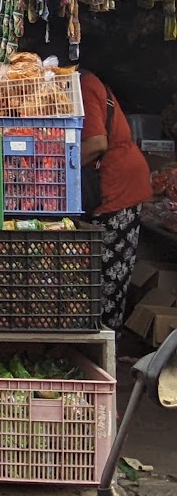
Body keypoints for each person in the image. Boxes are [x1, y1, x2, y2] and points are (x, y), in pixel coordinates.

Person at [81, 69, 153, 330]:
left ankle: (105, 342)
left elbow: (96, 143)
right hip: (105, 185)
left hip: (116, 187)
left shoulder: (84, 86)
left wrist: (61, 171)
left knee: (108, 273)